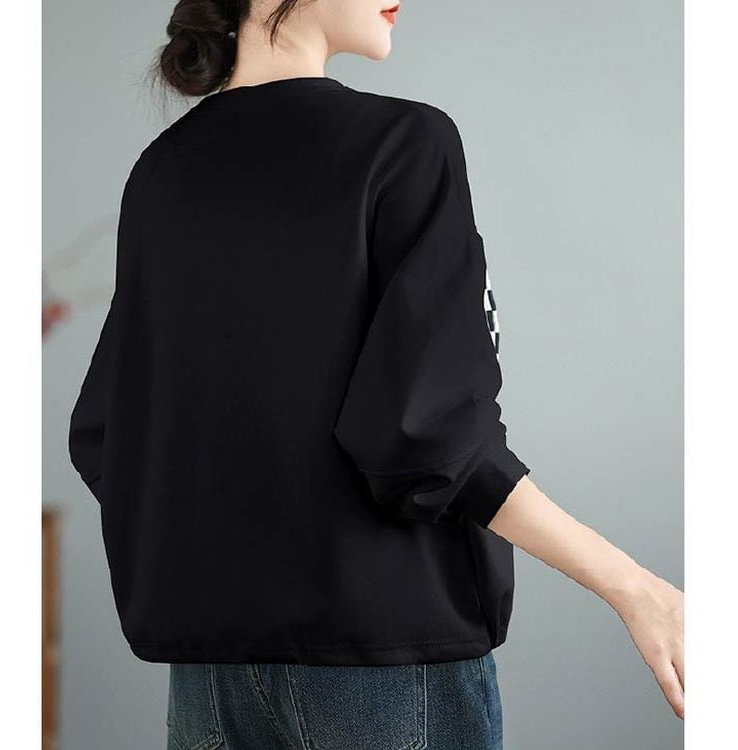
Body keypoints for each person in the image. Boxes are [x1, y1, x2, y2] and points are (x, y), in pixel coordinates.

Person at [67, 1, 684, 748]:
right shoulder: (403, 144)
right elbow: (434, 437)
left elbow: (109, 432)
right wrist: (635, 587)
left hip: (210, 676)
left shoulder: (162, 171)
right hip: (385, 665)